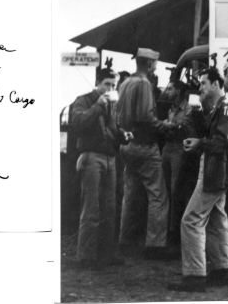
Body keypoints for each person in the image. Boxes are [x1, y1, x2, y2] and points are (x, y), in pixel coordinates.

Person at [167, 68, 228, 292]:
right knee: (217, 220)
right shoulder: (222, 107)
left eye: (203, 83)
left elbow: (223, 142)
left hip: (216, 169)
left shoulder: (226, 108)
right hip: (217, 168)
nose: (200, 88)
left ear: (216, 84)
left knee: (191, 220)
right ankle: (221, 271)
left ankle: (194, 276)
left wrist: (200, 143)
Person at [116, 48, 178, 259]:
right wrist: (166, 125)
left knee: (131, 194)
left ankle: (125, 241)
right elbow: (145, 117)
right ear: (150, 64)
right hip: (144, 145)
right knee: (158, 196)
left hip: (127, 145)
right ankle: (155, 246)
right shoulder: (144, 84)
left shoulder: (125, 83)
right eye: (155, 64)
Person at [71, 68, 128, 269]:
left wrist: (122, 135)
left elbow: (111, 128)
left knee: (109, 208)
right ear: (97, 82)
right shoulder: (84, 100)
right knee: (91, 208)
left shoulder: (109, 106)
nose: (110, 88)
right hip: (91, 156)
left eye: (113, 85)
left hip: (108, 158)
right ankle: (85, 256)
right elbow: (77, 124)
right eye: (107, 84)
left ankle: (105, 253)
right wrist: (97, 106)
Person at [161, 80, 190, 246]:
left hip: (179, 149)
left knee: (175, 190)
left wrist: (171, 126)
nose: (166, 91)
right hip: (168, 148)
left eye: (170, 88)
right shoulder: (171, 108)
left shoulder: (188, 109)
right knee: (165, 190)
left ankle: (173, 231)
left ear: (178, 91)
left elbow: (186, 127)